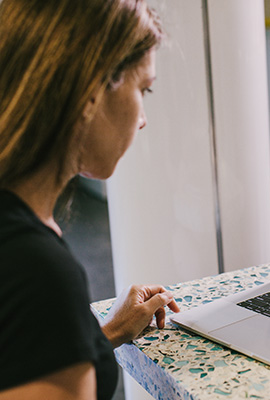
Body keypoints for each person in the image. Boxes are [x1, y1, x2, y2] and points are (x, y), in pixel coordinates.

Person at [0, 0, 180, 399]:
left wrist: (104, 334)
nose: (143, 117)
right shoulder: (36, 271)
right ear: (91, 92)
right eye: (143, 89)